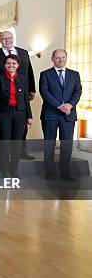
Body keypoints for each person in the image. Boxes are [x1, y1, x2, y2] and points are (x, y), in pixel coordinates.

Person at [0, 30, 36, 158]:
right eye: (4, 39)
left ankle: (22, 152)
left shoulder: (24, 53)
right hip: (2, 97)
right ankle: (3, 154)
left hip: (21, 94)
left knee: (21, 128)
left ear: (13, 38)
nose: (7, 41)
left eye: (9, 38)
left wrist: (32, 89)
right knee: (2, 130)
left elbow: (29, 72)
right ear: (0, 41)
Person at [40, 49, 82, 181]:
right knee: (49, 144)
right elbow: (44, 92)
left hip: (68, 115)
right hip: (50, 114)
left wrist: (70, 105)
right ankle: (49, 172)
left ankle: (65, 172)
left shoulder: (74, 75)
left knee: (67, 145)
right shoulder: (45, 74)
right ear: (52, 58)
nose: (61, 60)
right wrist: (59, 106)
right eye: (58, 58)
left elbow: (78, 92)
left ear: (66, 58)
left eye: (63, 57)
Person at [0, 55, 33, 177]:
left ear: (18, 65)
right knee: (4, 143)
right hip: (3, 114)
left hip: (20, 113)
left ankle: (14, 170)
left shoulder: (24, 79)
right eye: (8, 63)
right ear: (5, 65)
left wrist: (29, 116)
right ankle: (4, 171)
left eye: (14, 63)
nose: (11, 65)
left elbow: (26, 99)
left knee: (17, 143)